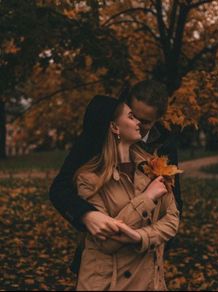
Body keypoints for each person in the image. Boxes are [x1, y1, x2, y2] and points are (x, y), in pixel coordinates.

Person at [49, 80, 183, 273]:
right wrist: (85, 214)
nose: (137, 122)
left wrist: (149, 241)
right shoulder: (98, 137)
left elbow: (174, 205)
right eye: (132, 115)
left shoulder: (164, 146)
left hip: (144, 262)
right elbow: (60, 188)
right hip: (103, 262)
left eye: (145, 122)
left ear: (157, 120)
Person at [74, 95, 179, 290]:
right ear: (115, 127)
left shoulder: (155, 167)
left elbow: (172, 220)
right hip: (108, 283)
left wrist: (141, 237)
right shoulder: (88, 179)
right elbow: (106, 243)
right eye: (131, 117)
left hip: (151, 282)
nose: (138, 121)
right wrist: (147, 198)